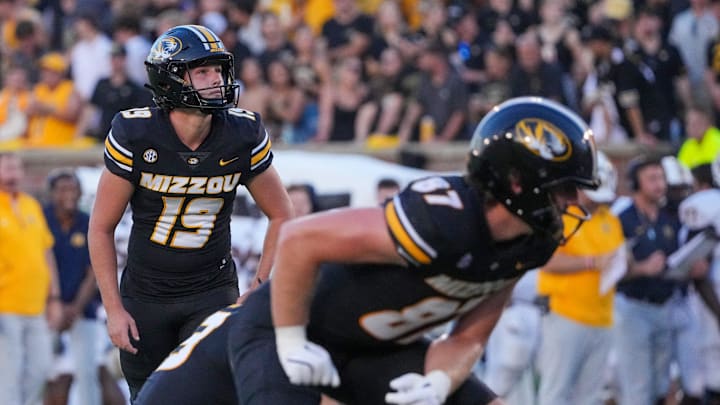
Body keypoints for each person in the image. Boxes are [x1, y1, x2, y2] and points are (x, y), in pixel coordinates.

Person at [134, 97, 599, 405]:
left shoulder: (531, 240)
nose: (575, 204)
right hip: (286, 333)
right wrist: (294, 339)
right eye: (563, 190)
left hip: (373, 346)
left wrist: (440, 383)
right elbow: (300, 238)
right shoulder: (443, 218)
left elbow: (469, 335)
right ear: (517, 182)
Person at [88, 24, 294, 401]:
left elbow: (282, 214)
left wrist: (259, 287)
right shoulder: (136, 133)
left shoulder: (241, 133)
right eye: (202, 71)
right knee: (149, 398)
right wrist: (114, 311)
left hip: (210, 291)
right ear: (170, 79)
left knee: (212, 395)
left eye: (218, 70)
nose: (216, 79)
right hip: (146, 296)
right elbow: (101, 228)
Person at [535, 151, 626, 405]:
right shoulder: (562, 214)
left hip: (602, 314)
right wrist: (591, 262)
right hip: (566, 312)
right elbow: (546, 260)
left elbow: (618, 257)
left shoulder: (610, 219)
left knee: (591, 396)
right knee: (556, 392)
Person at [43, 168, 125, 405]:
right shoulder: (41, 219)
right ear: (51, 194)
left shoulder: (87, 222)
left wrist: (75, 308)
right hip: (46, 309)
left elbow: (94, 271)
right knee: (47, 375)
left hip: (84, 308)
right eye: (62, 189)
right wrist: (55, 303)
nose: (69, 194)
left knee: (89, 372)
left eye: (73, 189)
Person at [0, 152, 62, 405]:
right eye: (7, 169)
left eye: (16, 168)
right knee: (8, 374)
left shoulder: (31, 205)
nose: (13, 174)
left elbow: (46, 252)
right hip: (5, 305)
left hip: (36, 305)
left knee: (41, 368)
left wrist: (54, 298)